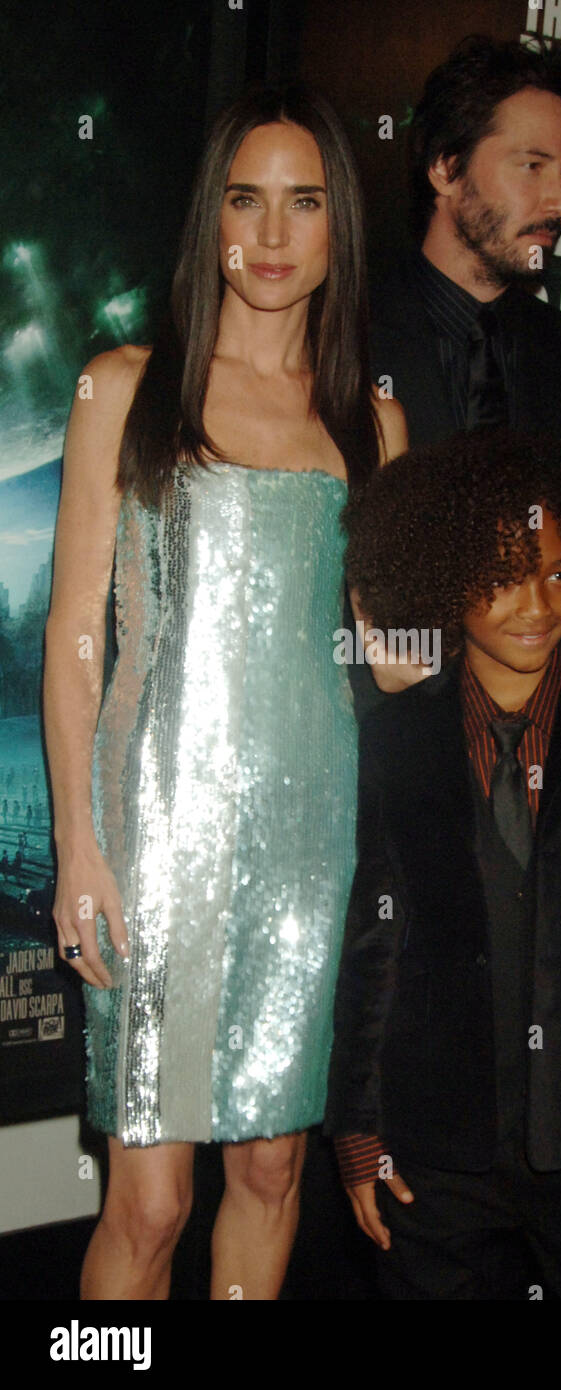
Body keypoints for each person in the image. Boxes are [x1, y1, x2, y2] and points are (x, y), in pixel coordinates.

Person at [43, 82, 406, 1301]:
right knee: (148, 1203)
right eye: (245, 200)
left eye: (303, 203)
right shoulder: (123, 386)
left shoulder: (369, 419)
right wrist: (79, 850)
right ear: (211, 221)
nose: (272, 231)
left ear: (336, 228)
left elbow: (389, 650)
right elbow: (72, 639)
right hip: (154, 831)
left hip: (309, 839)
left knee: (267, 1172)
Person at [325, 429, 561, 1299]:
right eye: (501, 575)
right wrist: (357, 1128)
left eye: (559, 573)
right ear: (439, 577)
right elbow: (370, 945)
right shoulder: (394, 739)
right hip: (433, 1148)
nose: (535, 602)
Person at [368, 34, 561, 670]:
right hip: (367, 749)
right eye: (532, 166)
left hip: (543, 751)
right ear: (446, 167)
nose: (559, 203)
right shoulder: (340, 335)